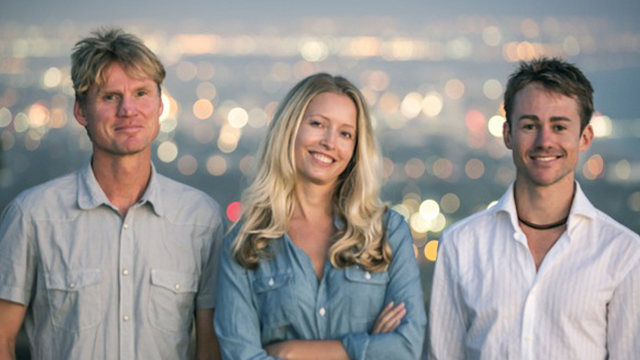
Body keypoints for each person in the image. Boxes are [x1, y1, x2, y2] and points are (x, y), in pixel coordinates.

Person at [0, 28, 224, 360]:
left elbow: (210, 347)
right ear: (81, 111)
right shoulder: (33, 216)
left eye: (141, 94)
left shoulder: (201, 220)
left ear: (160, 106)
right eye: (109, 97)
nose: (128, 110)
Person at [428, 57, 640, 359]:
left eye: (559, 126)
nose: (544, 141)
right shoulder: (460, 245)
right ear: (508, 134)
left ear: (585, 138)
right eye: (530, 125)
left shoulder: (623, 254)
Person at [215, 73, 426, 359]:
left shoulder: (388, 232)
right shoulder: (245, 244)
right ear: (290, 128)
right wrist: (367, 348)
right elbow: (242, 356)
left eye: (345, 133)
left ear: (354, 150)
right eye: (317, 124)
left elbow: (406, 349)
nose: (329, 142)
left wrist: (289, 352)